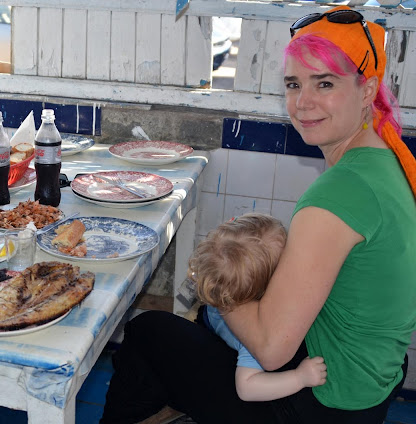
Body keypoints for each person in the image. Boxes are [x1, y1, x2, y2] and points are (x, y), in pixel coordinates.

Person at [101, 5, 416, 424]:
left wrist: (213, 277)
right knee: (208, 319)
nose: (303, 102)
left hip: (321, 407)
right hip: (372, 381)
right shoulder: (389, 159)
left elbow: (270, 351)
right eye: (293, 84)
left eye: (325, 83)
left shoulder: (338, 194)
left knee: (148, 333)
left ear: (366, 90)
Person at [190, 213, 327, 402]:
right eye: (285, 260)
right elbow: (247, 388)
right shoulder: (255, 333)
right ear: (269, 286)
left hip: (213, 309)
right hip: (209, 330)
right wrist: (299, 378)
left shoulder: (223, 275)